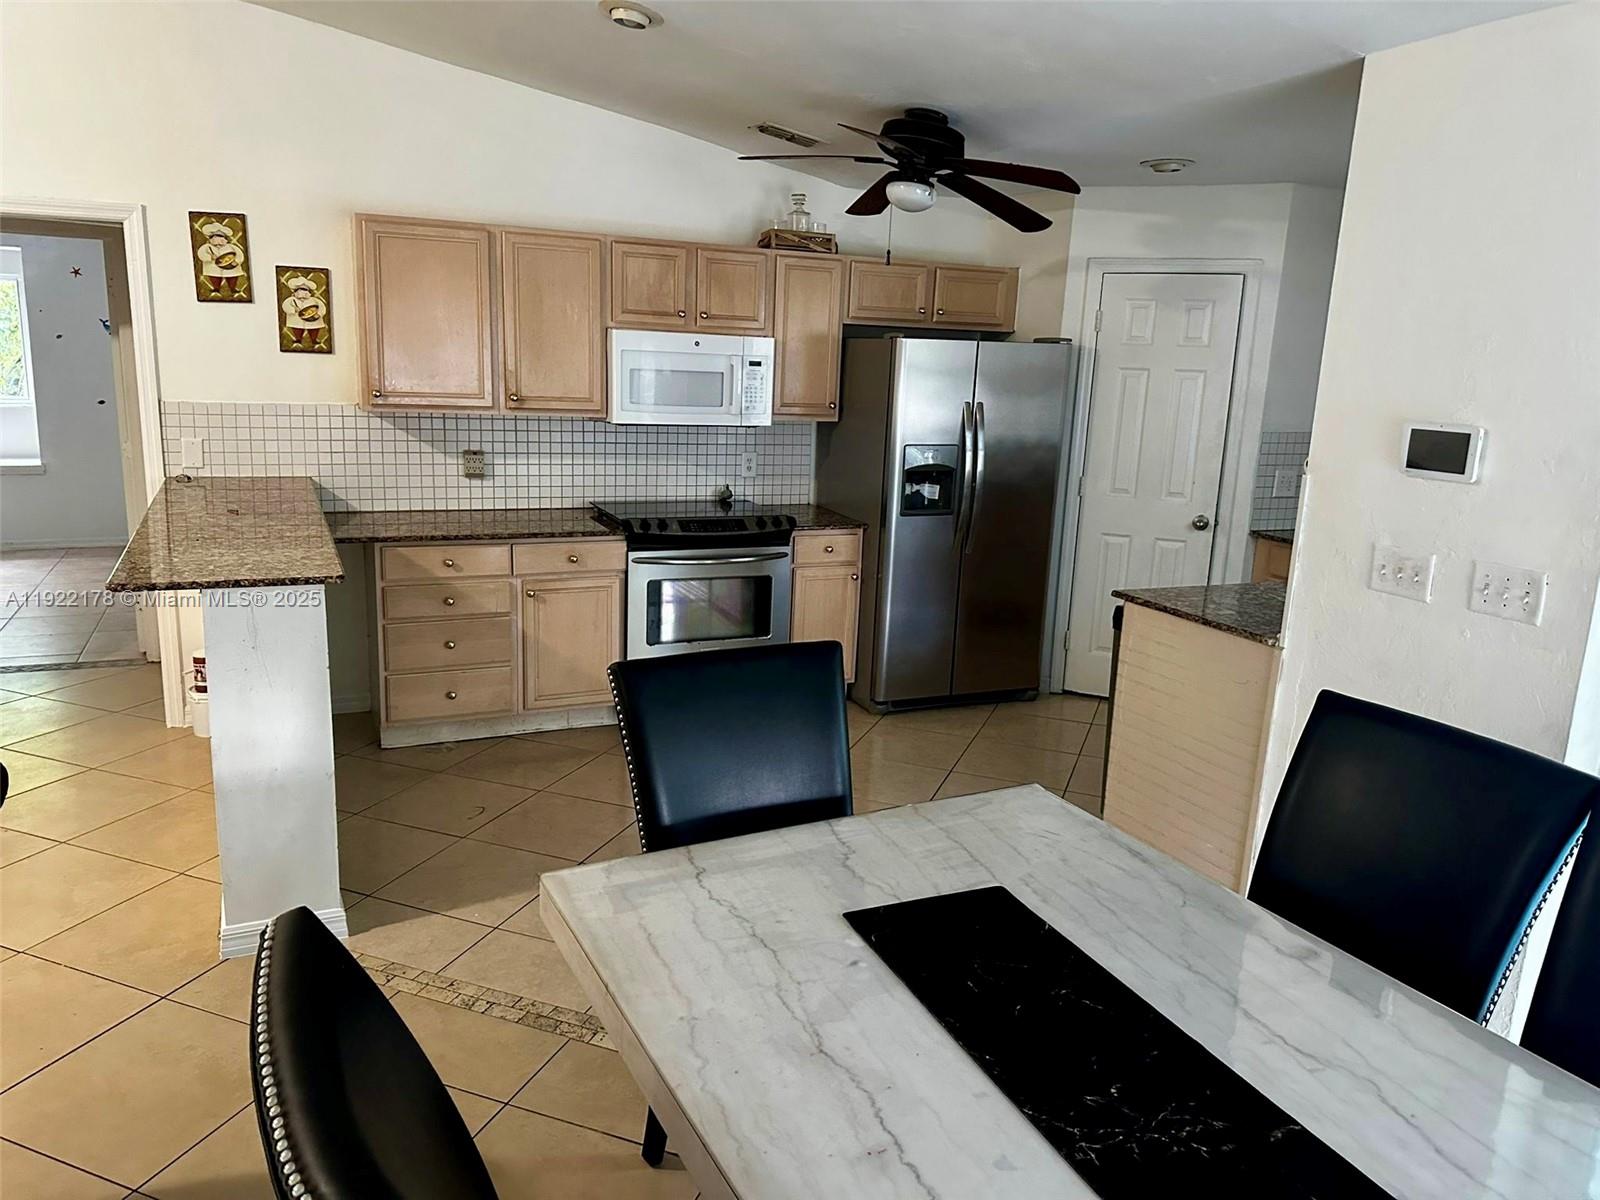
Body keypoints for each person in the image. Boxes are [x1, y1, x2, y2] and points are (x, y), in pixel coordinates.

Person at [196, 221, 246, 298]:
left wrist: (237, 261)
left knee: (232, 277)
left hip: (231, 267)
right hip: (213, 267)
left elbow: (240, 254)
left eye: (221, 238)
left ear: (226, 240)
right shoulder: (207, 247)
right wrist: (210, 258)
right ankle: (216, 288)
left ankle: (232, 288)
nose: (218, 241)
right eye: (215, 238)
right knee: (214, 277)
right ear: (210, 239)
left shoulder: (231, 247)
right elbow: (201, 254)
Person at [281, 275, 326, 347]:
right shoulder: (291, 300)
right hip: (296, 319)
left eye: (304, 291)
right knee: (297, 328)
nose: (302, 293)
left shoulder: (314, 300)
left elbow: (322, 307)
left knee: (314, 329)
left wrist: (319, 314)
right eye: (299, 290)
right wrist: (293, 310)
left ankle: (314, 339)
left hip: (313, 319)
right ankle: (298, 339)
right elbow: (285, 306)